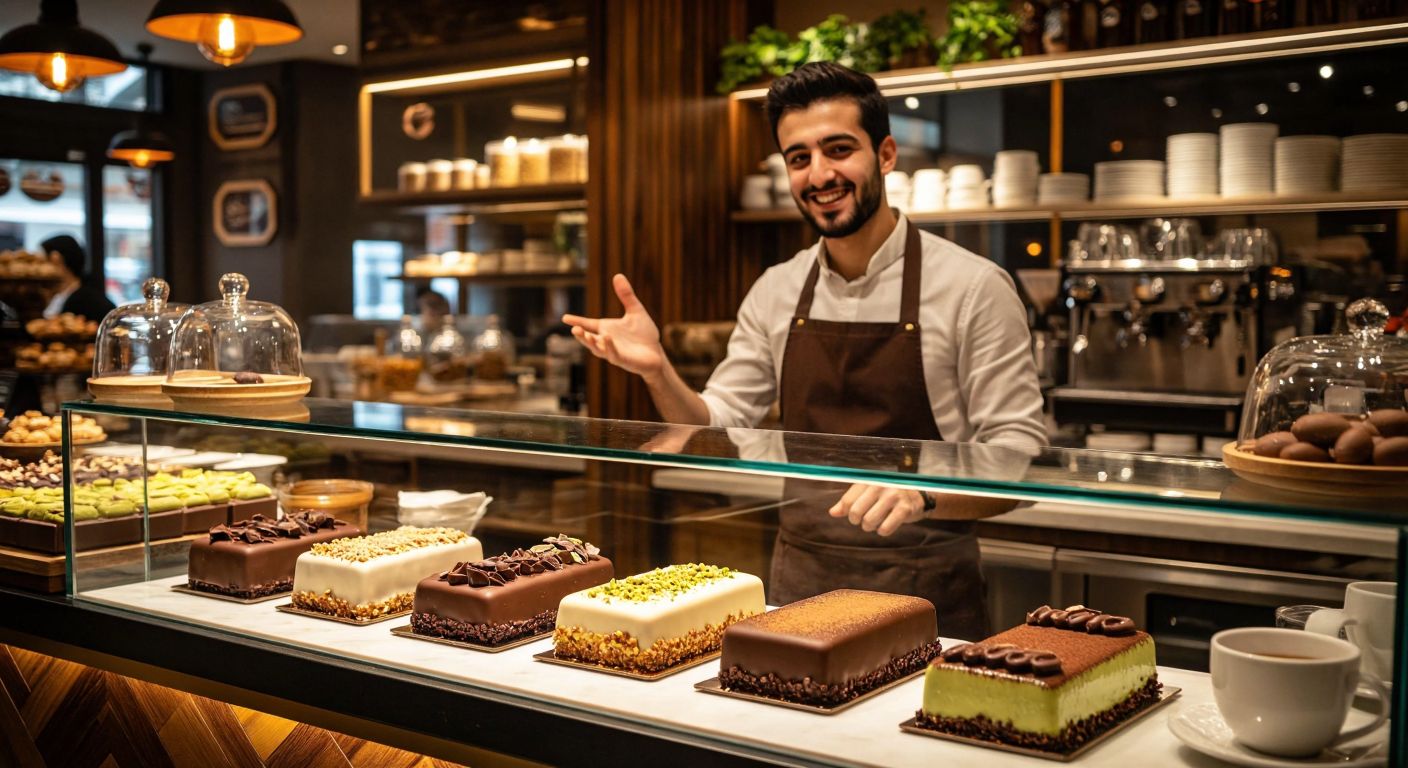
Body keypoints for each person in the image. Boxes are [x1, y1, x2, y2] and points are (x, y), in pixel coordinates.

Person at [563, 62, 1045, 639]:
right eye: (799, 158)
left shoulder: (973, 287)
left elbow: (1016, 458)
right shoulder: (777, 288)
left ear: (886, 155)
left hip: (927, 595)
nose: (819, 174)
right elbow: (716, 432)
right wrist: (657, 370)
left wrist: (923, 491)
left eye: (839, 149)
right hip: (800, 584)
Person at [41, 234, 115, 320]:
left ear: (57, 259)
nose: (39, 268)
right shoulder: (55, 295)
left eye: (42, 262)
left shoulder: (88, 300)